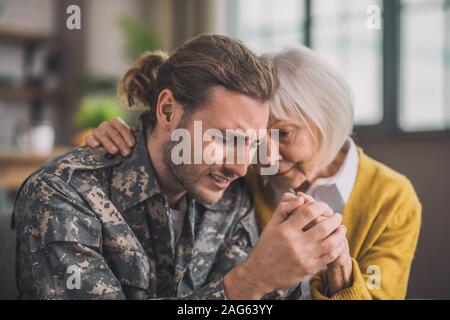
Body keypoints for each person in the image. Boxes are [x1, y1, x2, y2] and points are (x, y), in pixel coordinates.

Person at [12, 35, 346, 300]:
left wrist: (305, 277)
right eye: (227, 139)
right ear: (168, 111)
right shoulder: (64, 194)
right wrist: (249, 282)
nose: (241, 167)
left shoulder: (231, 200)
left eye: (252, 143)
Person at [87, 45, 421, 300]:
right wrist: (136, 138)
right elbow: (192, 119)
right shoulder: (239, 176)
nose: (266, 156)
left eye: (285, 134)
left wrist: (341, 269)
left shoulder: (392, 198)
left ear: (327, 123)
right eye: (256, 140)